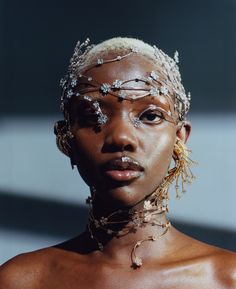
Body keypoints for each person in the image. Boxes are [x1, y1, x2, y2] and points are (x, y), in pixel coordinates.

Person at [0, 37, 235, 289]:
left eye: (151, 115)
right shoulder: (20, 281)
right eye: (94, 116)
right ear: (65, 138)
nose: (121, 137)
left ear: (179, 138)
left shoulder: (225, 278)